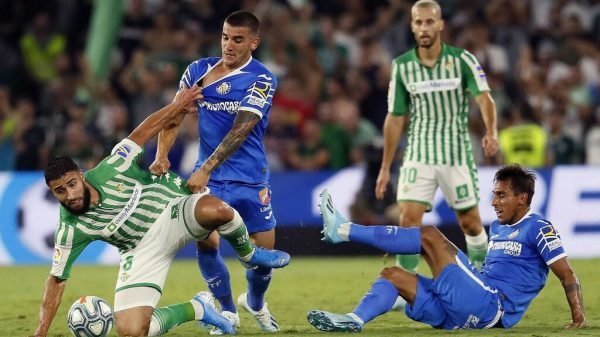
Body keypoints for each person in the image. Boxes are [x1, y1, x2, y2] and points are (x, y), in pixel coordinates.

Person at [29, 85, 290, 337]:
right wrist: (40, 332)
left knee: (218, 210)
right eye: (60, 191)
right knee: (132, 331)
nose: (70, 195)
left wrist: (176, 106)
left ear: (82, 177)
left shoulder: (112, 167)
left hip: (172, 211)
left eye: (72, 184)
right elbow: (56, 281)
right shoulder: (70, 228)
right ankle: (198, 308)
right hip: (140, 250)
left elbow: (144, 130)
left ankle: (248, 254)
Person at [308, 164, 586, 332]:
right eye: (493, 195)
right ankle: (354, 319)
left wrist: (578, 317)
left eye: (501, 195)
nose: (493, 202)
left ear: (522, 198)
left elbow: (567, 275)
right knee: (392, 276)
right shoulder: (499, 228)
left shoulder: (539, 228)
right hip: (464, 311)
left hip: (493, 306)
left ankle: (343, 230)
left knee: (429, 235)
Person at [150, 11, 280, 334]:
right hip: (208, 182)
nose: (229, 45)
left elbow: (242, 129)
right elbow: (174, 115)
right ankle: (228, 311)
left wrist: (206, 167)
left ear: (254, 42)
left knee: (260, 259)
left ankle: (255, 302)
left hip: (250, 179)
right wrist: (161, 154)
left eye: (238, 40)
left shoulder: (262, 79)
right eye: (225, 37)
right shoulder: (198, 71)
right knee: (206, 245)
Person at [374, 0, 499, 272]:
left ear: (440, 24)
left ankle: (485, 278)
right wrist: (385, 167)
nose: (424, 28)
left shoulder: (462, 59)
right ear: (412, 26)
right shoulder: (402, 66)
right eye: (418, 22)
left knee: (470, 222)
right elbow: (395, 118)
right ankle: (405, 284)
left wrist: (491, 131)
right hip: (418, 154)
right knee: (408, 220)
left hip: (456, 154)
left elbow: (485, 98)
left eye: (429, 21)